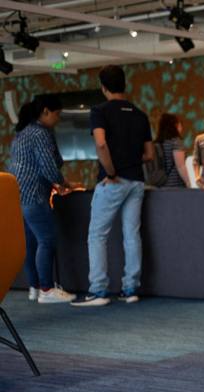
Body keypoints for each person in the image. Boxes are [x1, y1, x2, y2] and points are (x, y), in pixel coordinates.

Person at [71, 65, 153, 307]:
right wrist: (130, 161)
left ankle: (98, 291)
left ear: (103, 87)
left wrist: (112, 172)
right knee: (132, 235)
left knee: (97, 235)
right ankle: (131, 289)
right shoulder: (140, 114)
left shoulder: (100, 111)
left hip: (113, 181)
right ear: (124, 84)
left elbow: (100, 144)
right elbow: (149, 154)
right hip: (136, 181)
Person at [8, 95, 77, 304]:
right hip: (35, 195)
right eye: (57, 114)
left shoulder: (21, 133)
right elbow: (49, 166)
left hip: (17, 195)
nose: (58, 119)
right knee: (46, 240)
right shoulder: (40, 133)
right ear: (45, 111)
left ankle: (35, 287)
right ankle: (47, 289)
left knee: (30, 243)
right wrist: (63, 182)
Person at [155, 113, 191, 188]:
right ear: (175, 125)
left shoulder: (158, 142)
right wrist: (188, 182)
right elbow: (180, 166)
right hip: (175, 184)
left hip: (160, 183)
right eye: (180, 124)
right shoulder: (176, 142)